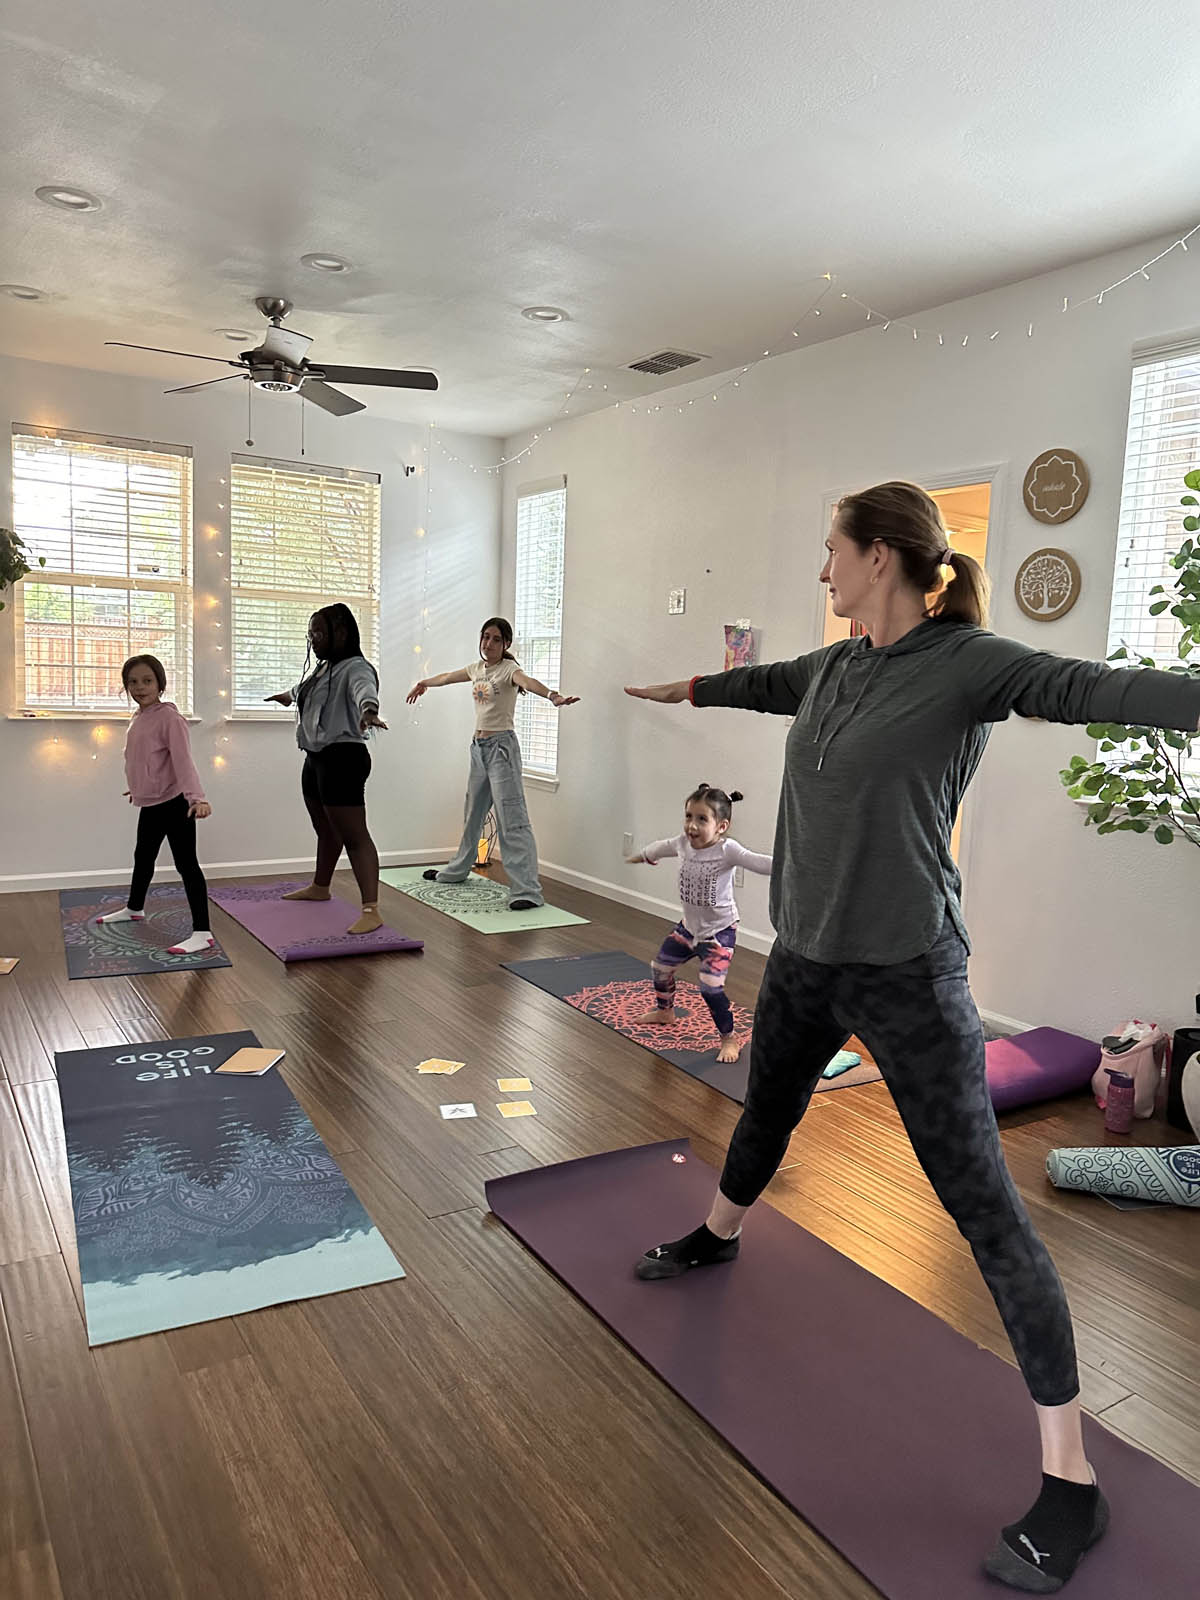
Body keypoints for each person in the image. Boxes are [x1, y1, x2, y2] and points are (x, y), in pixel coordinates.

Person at [624, 480, 1200, 1594]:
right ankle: (719, 1231)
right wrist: (683, 685)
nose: (822, 571)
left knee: (981, 1203)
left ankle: (1072, 1478)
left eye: (830, 553)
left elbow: (1092, 687)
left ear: (882, 556)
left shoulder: (970, 662)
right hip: (803, 957)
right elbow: (758, 684)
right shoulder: (834, 667)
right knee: (769, 1103)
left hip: (910, 975)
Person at [407, 616, 578, 911]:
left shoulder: (510, 670)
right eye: (485, 637)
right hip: (478, 748)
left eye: (496, 639)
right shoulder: (477, 669)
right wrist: (425, 683)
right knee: (473, 813)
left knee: (511, 818)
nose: (489, 643)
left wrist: (553, 696)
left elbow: (529, 682)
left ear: (506, 643)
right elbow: (448, 676)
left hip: (501, 750)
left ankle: (527, 890)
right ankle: (458, 870)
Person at [264, 603, 388, 935]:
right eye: (311, 633)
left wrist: (369, 710)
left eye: (319, 633)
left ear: (342, 633)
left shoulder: (356, 668)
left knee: (355, 836)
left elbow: (365, 691)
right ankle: (321, 887)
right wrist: (287, 695)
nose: (313, 639)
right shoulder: (323, 668)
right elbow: (305, 690)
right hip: (316, 757)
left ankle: (371, 909)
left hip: (344, 758)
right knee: (326, 829)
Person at [627, 782, 771, 1064]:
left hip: (719, 934)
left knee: (710, 988)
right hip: (688, 929)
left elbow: (760, 863)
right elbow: (660, 847)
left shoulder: (728, 850)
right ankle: (665, 1011)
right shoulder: (682, 844)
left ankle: (729, 1037)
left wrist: (793, 865)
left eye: (702, 819)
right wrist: (642, 856)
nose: (691, 826)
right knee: (660, 968)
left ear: (721, 826)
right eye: (688, 817)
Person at [97, 654, 214, 954]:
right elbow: (141, 761)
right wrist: (138, 788)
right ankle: (135, 908)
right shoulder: (139, 716)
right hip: (150, 803)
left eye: (147, 681)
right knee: (143, 857)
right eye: (133, 682)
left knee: (186, 865)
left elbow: (183, 762)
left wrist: (196, 798)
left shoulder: (170, 719)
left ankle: (203, 931)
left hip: (177, 804)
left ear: (160, 683)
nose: (140, 687)